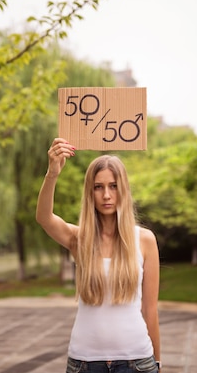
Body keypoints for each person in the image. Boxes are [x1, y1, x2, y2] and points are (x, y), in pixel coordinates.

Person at [36, 138, 161, 373]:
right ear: (90, 192)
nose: (106, 195)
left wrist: (158, 363)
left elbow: (150, 310)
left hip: (137, 362)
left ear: (123, 189)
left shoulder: (145, 240)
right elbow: (44, 217)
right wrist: (52, 174)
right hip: (84, 362)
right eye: (98, 187)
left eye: (113, 186)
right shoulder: (78, 238)